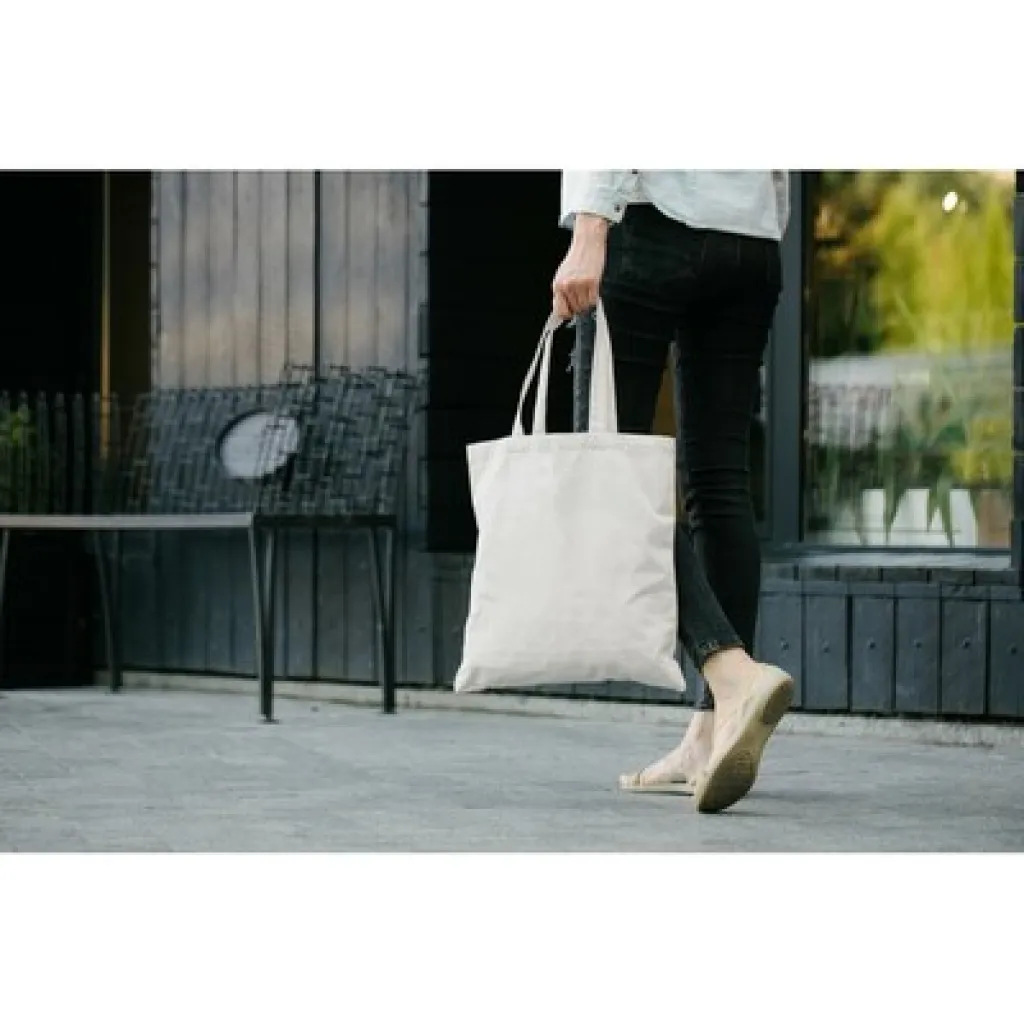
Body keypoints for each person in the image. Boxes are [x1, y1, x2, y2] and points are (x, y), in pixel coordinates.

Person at [552, 170, 794, 814]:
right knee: (720, 482)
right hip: (750, 236)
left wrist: (590, 225)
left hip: (651, 220)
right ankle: (710, 735)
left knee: (608, 474)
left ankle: (732, 672)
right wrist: (763, 219)